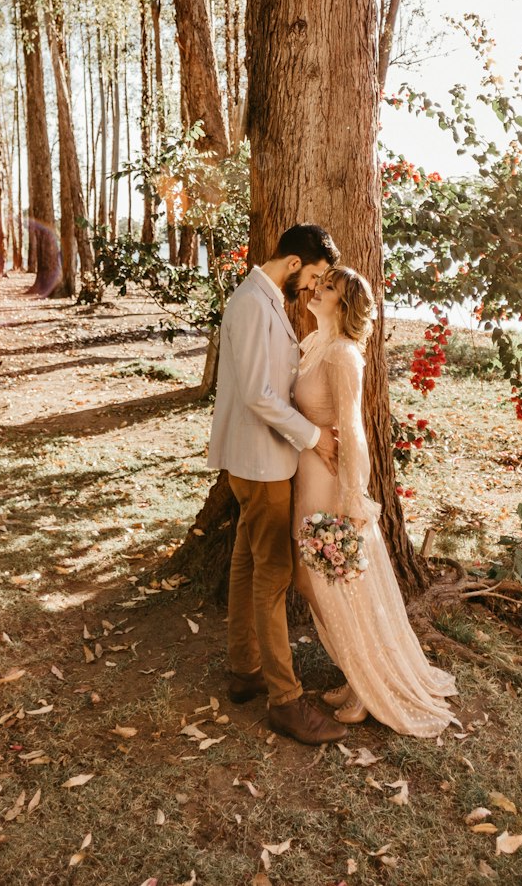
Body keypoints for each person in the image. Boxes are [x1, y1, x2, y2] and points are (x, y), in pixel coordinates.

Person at [293, 265, 457, 736]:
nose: (318, 290)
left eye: (329, 289)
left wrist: (351, 495)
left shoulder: (344, 355)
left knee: (341, 587)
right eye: (321, 284)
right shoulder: (314, 345)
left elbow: (354, 427)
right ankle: (355, 672)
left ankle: (368, 685)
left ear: (344, 308)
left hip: (330, 485)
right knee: (313, 584)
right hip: (305, 478)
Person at [207, 223, 348, 745]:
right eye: (311, 276)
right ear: (294, 264)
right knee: (275, 574)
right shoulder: (250, 304)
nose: (311, 288)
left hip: (260, 459)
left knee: (247, 560)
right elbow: (260, 396)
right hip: (262, 462)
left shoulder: (264, 299)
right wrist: (313, 435)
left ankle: (244, 671)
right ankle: (285, 701)